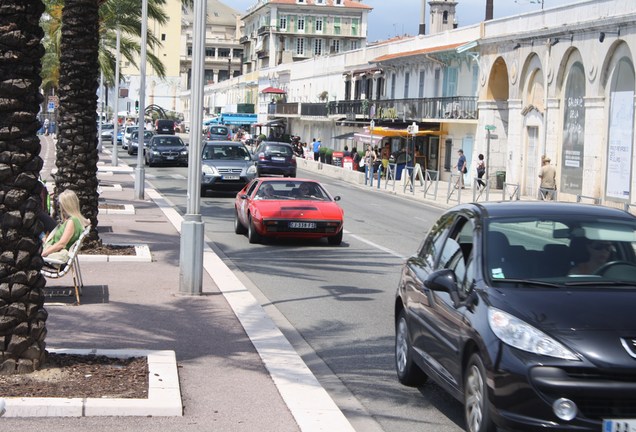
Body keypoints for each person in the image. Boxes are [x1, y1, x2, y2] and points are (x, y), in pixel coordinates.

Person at [42, 189, 90, 266]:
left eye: (61, 204)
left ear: (66, 206)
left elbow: (62, 244)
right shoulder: (76, 220)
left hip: (53, 257)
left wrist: (44, 253)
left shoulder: (72, 221)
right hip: (52, 251)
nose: (60, 207)